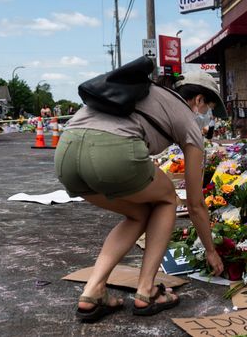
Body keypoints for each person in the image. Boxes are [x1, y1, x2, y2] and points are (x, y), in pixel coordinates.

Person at [55, 71, 227, 322]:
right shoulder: (187, 119)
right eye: (209, 108)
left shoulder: (147, 93)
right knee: (168, 198)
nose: (206, 116)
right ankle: (146, 291)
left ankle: (93, 291)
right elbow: (195, 203)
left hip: (65, 153)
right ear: (198, 99)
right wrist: (210, 250)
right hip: (112, 151)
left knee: (139, 214)